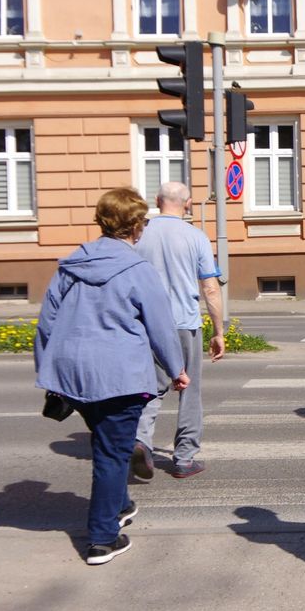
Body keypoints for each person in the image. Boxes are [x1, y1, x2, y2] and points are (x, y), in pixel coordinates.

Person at [35, 188, 190, 565]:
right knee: (111, 453)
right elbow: (161, 326)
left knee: (108, 444)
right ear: (135, 226)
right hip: (120, 375)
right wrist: (177, 369)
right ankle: (102, 539)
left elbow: (46, 323)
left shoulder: (71, 265)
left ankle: (120, 504)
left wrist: (48, 372)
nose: (144, 227)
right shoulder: (138, 270)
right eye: (144, 222)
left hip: (75, 376)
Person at [132, 181, 225, 480]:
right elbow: (210, 288)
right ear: (187, 204)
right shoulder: (196, 236)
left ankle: (140, 441)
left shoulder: (139, 234)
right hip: (185, 323)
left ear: (157, 201)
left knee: (151, 388)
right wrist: (218, 331)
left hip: (147, 323)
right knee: (189, 391)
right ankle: (184, 459)